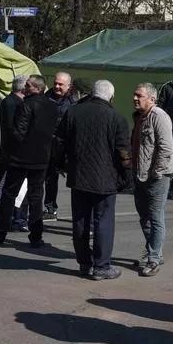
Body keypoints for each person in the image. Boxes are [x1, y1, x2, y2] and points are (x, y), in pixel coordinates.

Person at [58, 80, 132, 280]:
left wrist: (62, 165)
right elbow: (123, 152)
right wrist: (127, 176)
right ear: (111, 97)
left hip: (79, 176)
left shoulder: (73, 112)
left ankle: (84, 263)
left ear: (92, 93)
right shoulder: (116, 118)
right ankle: (101, 266)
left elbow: (59, 141)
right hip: (105, 179)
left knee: (80, 221)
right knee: (104, 221)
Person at [0, 75, 59, 246]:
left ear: (36, 88)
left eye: (28, 85)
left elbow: (19, 132)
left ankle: (1, 231)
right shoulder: (52, 106)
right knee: (36, 197)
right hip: (41, 158)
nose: (25, 87)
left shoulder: (25, 105)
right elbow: (53, 132)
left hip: (21, 158)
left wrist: (14, 148)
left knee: (9, 194)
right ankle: (36, 236)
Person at [131, 83, 173, 277]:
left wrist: (156, 172)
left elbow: (166, 148)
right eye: (135, 94)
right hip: (140, 174)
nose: (135, 98)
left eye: (139, 95)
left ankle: (153, 258)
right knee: (144, 215)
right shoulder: (140, 117)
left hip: (157, 176)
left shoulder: (159, 117)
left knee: (155, 216)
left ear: (152, 99)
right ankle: (154, 250)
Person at [42, 71, 77, 220]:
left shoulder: (74, 102)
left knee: (77, 181)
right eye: (55, 83)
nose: (56, 86)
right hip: (50, 146)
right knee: (50, 179)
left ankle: (81, 213)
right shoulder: (46, 98)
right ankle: (50, 208)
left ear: (69, 86)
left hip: (68, 147)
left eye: (60, 84)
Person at [0, 75, 29, 230]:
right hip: (13, 153)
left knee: (18, 188)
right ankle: (16, 219)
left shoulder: (11, 101)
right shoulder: (12, 103)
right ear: (23, 88)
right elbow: (13, 128)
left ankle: (17, 218)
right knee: (14, 188)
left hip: (11, 152)